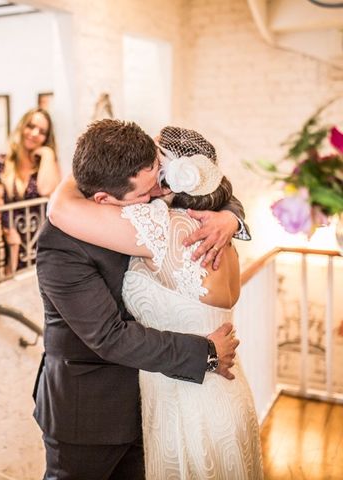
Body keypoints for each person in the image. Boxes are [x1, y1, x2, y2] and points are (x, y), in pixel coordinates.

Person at [34, 120, 250, 479]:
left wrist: (230, 216)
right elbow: (108, 335)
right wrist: (205, 353)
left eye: (159, 182)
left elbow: (206, 186)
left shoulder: (145, 195)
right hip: (88, 414)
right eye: (144, 194)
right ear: (103, 198)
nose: (159, 198)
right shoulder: (60, 243)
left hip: (155, 401)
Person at [0, 108, 61, 270]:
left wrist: (48, 154)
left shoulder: (46, 165)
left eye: (42, 132)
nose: (35, 133)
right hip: (6, 245)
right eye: (31, 126)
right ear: (21, 127)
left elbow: (46, 189)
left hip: (38, 247)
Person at [0, 176, 20, 280]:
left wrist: (14, 247)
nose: (0, 203)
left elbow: (8, 275)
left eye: (2, 198)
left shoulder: (2, 228)